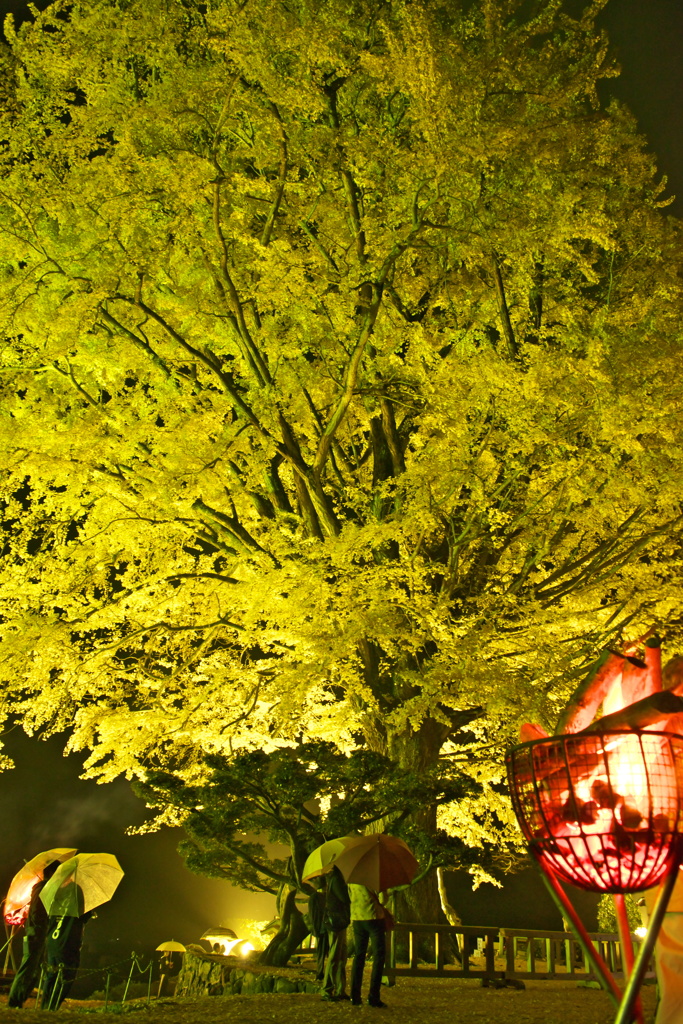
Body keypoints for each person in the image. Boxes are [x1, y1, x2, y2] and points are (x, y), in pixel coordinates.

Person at [7, 860, 60, 1008]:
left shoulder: (41, 888)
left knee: (33, 969)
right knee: (28, 968)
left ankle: (19, 1000)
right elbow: (38, 912)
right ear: (51, 873)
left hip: (36, 931)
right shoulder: (43, 888)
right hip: (36, 932)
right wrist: (42, 924)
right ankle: (14, 1001)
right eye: (57, 872)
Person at [40, 910, 94, 1010]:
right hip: (68, 945)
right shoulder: (78, 906)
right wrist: (91, 913)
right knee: (67, 978)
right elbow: (84, 919)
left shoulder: (56, 903)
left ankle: (44, 1005)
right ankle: (53, 1006)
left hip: (53, 943)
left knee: (51, 975)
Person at [349, 882, 388, 1008]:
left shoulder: (352, 880)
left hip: (357, 918)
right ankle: (373, 997)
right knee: (379, 956)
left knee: (359, 956)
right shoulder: (375, 878)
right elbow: (383, 899)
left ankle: (355, 996)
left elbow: (350, 896)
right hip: (373, 917)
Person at [320, 866, 351, 1002]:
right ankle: (327, 990)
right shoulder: (337, 879)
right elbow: (344, 898)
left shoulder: (336, 878)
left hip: (339, 921)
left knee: (341, 955)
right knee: (335, 955)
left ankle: (340, 989)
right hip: (336, 922)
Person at [307, 876, 329, 981]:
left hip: (321, 928)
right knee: (325, 951)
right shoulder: (326, 896)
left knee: (321, 952)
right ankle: (323, 973)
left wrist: (315, 929)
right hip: (327, 927)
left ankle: (320, 973)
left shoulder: (315, 897)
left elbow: (313, 915)